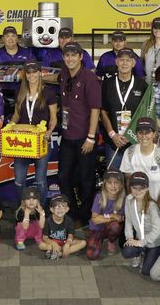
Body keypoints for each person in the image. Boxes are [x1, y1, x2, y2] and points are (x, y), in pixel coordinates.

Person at [58, 41, 101, 224]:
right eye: (67, 55)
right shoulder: (64, 75)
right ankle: (71, 212)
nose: (70, 58)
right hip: (68, 137)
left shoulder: (89, 78)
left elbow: (95, 110)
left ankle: (84, 217)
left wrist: (91, 138)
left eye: (73, 55)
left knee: (86, 179)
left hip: (85, 138)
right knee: (63, 177)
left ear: (81, 57)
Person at [8, 60, 58, 204]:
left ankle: (40, 209)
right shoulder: (20, 91)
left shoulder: (48, 92)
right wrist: (10, 126)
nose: (31, 75)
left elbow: (53, 118)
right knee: (18, 180)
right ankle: (23, 208)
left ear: (40, 73)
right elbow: (17, 114)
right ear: (25, 74)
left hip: (41, 140)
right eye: (28, 73)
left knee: (40, 180)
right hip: (23, 141)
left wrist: (49, 131)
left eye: (34, 72)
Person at [120, 117, 160, 236]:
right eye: (140, 132)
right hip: (138, 207)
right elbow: (128, 181)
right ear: (136, 134)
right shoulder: (129, 152)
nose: (144, 136)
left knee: (157, 245)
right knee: (125, 244)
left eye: (148, 132)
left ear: (154, 133)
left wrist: (153, 213)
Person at [101, 48, 148, 168]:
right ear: (116, 62)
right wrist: (112, 135)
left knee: (134, 179)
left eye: (128, 60)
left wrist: (132, 134)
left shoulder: (142, 85)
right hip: (113, 141)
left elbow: (145, 113)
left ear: (134, 63)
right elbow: (103, 111)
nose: (124, 63)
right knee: (114, 177)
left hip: (134, 140)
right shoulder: (107, 84)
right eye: (121, 60)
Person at [122, 172, 160, 276]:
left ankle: (156, 253)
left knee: (146, 271)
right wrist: (129, 239)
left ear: (147, 188)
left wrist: (140, 243)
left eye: (141, 188)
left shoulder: (152, 206)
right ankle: (140, 253)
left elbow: (157, 230)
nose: (137, 191)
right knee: (127, 251)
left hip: (155, 242)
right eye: (134, 188)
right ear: (130, 187)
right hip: (139, 240)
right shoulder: (129, 200)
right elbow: (128, 221)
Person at [0, 25, 35, 118]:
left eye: (13, 36)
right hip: (3, 94)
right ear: (3, 39)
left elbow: (35, 72)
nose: (10, 39)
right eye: (7, 36)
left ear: (17, 38)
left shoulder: (28, 53)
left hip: (24, 93)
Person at [86, 168, 125, 260]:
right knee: (92, 255)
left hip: (110, 228)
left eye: (116, 182)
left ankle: (111, 241)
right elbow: (94, 220)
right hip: (96, 229)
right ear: (105, 184)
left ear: (121, 185)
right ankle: (98, 239)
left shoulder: (123, 199)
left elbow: (121, 219)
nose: (113, 186)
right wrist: (111, 216)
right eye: (110, 183)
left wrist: (103, 218)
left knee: (115, 226)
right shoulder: (99, 197)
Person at [39, 194, 86, 259]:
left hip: (65, 241)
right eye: (56, 206)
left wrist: (67, 244)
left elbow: (70, 235)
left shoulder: (69, 220)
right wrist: (54, 244)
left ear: (67, 209)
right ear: (51, 209)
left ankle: (59, 252)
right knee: (41, 245)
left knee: (83, 243)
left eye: (63, 206)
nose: (60, 209)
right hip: (52, 241)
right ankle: (61, 251)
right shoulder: (48, 221)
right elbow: (45, 238)